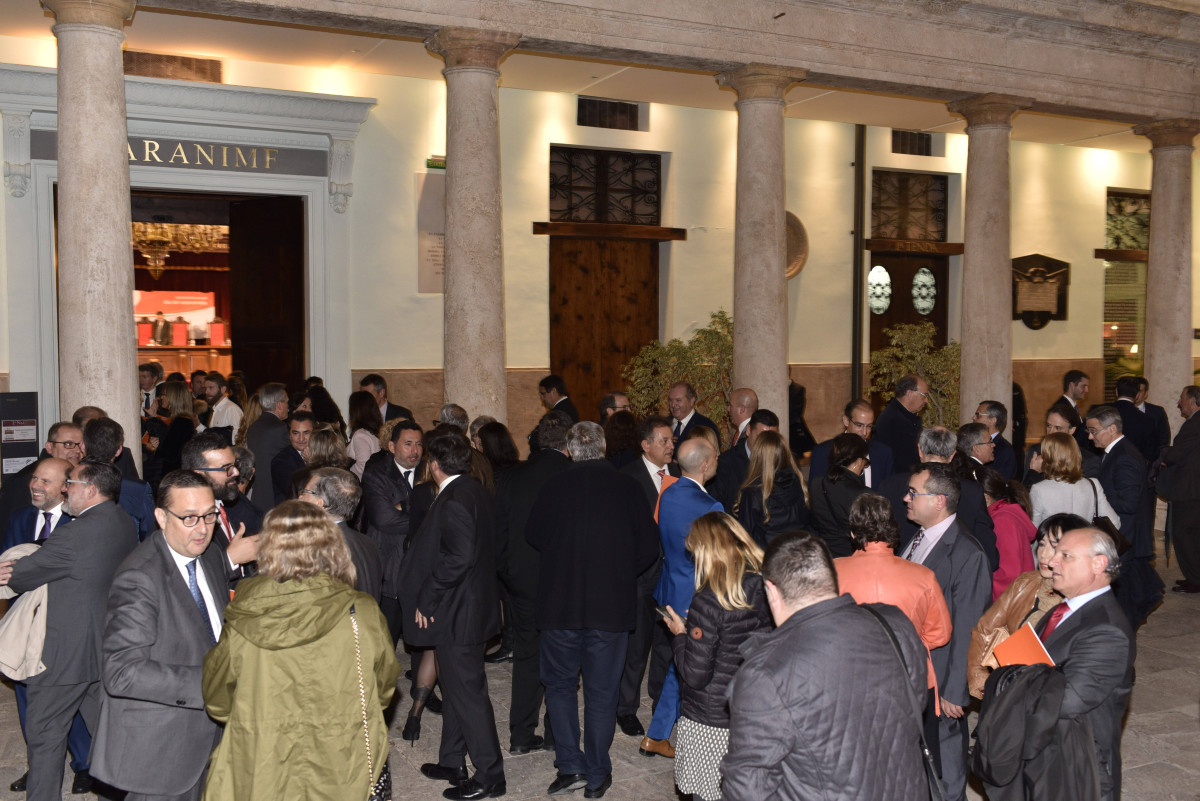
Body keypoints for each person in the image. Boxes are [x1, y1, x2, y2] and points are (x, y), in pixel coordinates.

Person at [201, 501, 399, 800]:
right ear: (333, 548)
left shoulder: (244, 615)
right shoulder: (361, 612)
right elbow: (383, 689)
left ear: (267, 548)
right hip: (342, 761)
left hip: (262, 762)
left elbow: (217, 701)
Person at [721, 532, 930, 801]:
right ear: (831, 578)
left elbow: (746, 789)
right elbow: (914, 706)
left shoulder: (764, 674)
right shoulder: (894, 624)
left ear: (771, 590)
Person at [527, 421, 659, 799]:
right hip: (610, 607)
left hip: (560, 605)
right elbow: (648, 548)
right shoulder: (628, 487)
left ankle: (570, 766)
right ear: (601, 448)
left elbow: (533, 535)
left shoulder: (553, 486)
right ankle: (597, 772)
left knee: (560, 687)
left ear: (570, 450)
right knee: (602, 693)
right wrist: (620, 573)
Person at [90, 470, 232, 801]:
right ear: (161, 517)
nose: (202, 528)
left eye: (209, 515)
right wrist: (214, 683)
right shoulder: (139, 578)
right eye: (189, 518)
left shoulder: (210, 555)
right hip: (161, 751)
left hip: (212, 740)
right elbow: (122, 673)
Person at [0, 460, 137, 801]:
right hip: (100, 648)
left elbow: (22, 576)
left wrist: (17, 565)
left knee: (45, 737)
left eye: (70, 483)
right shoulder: (122, 521)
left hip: (62, 657)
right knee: (106, 735)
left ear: (90, 490)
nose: (65, 489)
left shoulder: (73, 534)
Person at [398, 428, 506, 800]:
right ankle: (452, 761)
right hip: (467, 608)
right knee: (458, 690)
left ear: (434, 464)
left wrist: (427, 599)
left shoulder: (457, 498)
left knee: (468, 694)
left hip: (459, 613)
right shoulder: (474, 489)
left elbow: (458, 558)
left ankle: (491, 775)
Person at [659, 512, 771, 801]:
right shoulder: (764, 586)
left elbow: (695, 675)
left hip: (710, 721)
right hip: (750, 715)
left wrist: (681, 635)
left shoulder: (709, 599)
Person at [1, 457, 93, 795]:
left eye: (45, 481)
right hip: (26, 625)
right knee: (27, 696)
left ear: (65, 487)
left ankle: (84, 764)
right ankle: (37, 763)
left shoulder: (81, 522)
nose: (35, 486)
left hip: (64, 628)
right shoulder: (19, 518)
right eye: (35, 479)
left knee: (73, 699)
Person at [902, 462, 991, 801]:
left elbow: (969, 625)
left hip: (941, 678)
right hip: (917, 669)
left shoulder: (968, 553)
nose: (906, 498)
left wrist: (955, 690)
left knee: (947, 757)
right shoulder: (919, 537)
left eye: (914, 493)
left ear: (939, 501)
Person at [494, 412, 573, 755]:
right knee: (563, 659)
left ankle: (521, 735)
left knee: (527, 657)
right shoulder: (574, 475)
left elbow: (499, 531)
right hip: (563, 583)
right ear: (568, 444)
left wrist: (507, 574)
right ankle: (556, 734)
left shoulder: (513, 475)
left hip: (522, 582)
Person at [1041, 527, 1136, 801]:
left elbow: (1067, 701)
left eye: (1066, 555)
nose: (1052, 562)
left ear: (1098, 564)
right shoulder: (1063, 609)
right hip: (1047, 756)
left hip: (1076, 770)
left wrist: (1010, 681)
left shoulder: (1107, 630)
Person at [642, 437, 722, 759]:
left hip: (669, 590)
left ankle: (656, 735)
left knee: (679, 665)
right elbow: (718, 561)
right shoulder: (710, 507)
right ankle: (662, 735)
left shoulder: (668, 493)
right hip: (695, 597)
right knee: (692, 666)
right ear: (705, 464)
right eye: (715, 457)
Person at [834, 493, 951, 712]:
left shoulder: (831, 572)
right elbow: (940, 634)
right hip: (907, 676)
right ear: (892, 528)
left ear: (852, 533)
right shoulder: (923, 576)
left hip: (850, 677)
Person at [966, 512, 1081, 699]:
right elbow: (984, 630)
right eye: (1041, 544)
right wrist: (982, 680)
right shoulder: (1025, 583)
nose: (1043, 554)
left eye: (1054, 547)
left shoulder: (1084, 599)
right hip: (1010, 689)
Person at [616, 415, 677, 738]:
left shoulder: (678, 474)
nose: (670, 446)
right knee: (636, 648)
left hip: (672, 575)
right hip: (640, 576)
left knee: (666, 645)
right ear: (646, 445)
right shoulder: (627, 478)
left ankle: (660, 704)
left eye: (671, 440)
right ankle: (625, 709)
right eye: (664, 441)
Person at [360, 419, 423, 641]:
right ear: (392, 446)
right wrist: (423, 514)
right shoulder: (376, 475)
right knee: (386, 637)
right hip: (390, 565)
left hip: (422, 568)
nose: (415, 451)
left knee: (422, 638)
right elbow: (384, 519)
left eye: (419, 444)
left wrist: (402, 507)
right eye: (408, 444)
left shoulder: (430, 471)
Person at [298, 467, 384, 601]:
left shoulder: (320, 550)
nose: (300, 497)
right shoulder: (368, 543)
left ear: (319, 503)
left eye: (305, 492)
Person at [83, 416, 156, 541]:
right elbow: (150, 535)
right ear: (118, 450)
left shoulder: (68, 484)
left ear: (83, 446)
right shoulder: (138, 489)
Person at [733, 430, 808, 550]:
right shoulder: (798, 483)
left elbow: (744, 538)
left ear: (757, 457)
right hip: (797, 554)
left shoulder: (752, 492)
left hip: (767, 557)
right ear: (785, 453)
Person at [1029, 432, 1119, 529]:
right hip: (1084, 538)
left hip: (1054, 538)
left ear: (1048, 457)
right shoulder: (1093, 484)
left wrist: (1033, 472)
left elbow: (1032, 530)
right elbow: (1115, 523)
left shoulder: (1039, 489)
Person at [1161, 385, 1200, 593]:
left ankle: (1195, 579)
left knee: (1184, 534)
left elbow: (1178, 453)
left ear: (1193, 401)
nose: (1179, 402)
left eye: (1182, 398)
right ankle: (1194, 577)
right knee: (1191, 535)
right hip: (1192, 489)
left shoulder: (1195, 424)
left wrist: (1163, 455)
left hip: (1189, 490)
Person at [807, 432, 870, 558]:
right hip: (853, 558)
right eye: (865, 461)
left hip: (824, 555)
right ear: (858, 461)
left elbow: (814, 522)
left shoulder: (816, 484)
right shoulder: (865, 495)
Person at [807, 399, 895, 488]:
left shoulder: (883, 453)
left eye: (869, 426)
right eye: (859, 425)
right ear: (846, 420)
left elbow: (889, 490)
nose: (864, 432)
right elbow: (816, 491)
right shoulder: (823, 452)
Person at [978, 467, 1036, 600]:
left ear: (985, 498)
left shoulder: (1002, 521)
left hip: (1007, 603)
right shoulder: (999, 516)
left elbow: (1008, 576)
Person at [710, 409, 779, 512]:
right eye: (760, 438)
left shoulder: (781, 462)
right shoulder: (725, 463)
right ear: (748, 430)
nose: (766, 444)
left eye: (771, 439)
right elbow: (716, 507)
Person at [1022, 403, 1101, 487]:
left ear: (1072, 430)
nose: (1051, 432)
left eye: (1058, 428)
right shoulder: (1037, 450)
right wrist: (1034, 472)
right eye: (1048, 426)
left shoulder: (1088, 460)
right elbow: (1024, 491)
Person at [244, 383, 290, 514]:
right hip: (275, 497)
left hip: (258, 494)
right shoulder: (279, 428)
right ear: (279, 405)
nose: (288, 407)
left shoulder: (253, 427)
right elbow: (289, 462)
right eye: (287, 402)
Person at [873, 373, 930, 473]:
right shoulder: (895, 421)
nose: (926, 400)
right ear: (909, 393)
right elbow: (908, 460)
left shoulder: (902, 414)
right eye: (924, 395)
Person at [147, 381, 197, 478]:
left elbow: (170, 455)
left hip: (173, 476)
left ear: (174, 397)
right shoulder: (183, 420)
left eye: (164, 395)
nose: (161, 397)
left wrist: (154, 448)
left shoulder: (181, 422)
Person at [271, 411, 316, 505]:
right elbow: (300, 493)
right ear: (289, 435)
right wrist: (312, 463)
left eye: (306, 433)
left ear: (314, 433)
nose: (301, 438)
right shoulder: (280, 461)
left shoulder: (321, 453)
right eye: (296, 433)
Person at [529, 375, 579, 450]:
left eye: (543, 393)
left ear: (553, 391)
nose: (542, 398)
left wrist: (532, 437)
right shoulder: (566, 406)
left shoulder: (558, 412)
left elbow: (541, 439)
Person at [667, 381, 721, 448]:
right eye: (671, 400)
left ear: (691, 401)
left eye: (678, 400)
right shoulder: (663, 424)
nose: (673, 405)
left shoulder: (706, 426)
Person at [974, 400, 1018, 480]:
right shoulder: (973, 442)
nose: (974, 418)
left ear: (993, 420)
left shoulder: (1004, 450)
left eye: (978, 415)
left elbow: (1000, 483)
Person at [346, 389, 383, 478]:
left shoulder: (360, 435)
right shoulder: (375, 432)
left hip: (361, 483)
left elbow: (363, 466)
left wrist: (347, 473)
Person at [1059, 369, 1096, 456]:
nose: (1086, 390)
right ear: (1072, 386)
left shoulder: (1071, 406)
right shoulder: (1061, 407)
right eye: (1083, 386)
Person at [1134, 376, 1171, 460]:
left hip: (1151, 460)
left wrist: (1158, 459)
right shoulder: (1121, 411)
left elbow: (1164, 438)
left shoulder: (1157, 412)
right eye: (1134, 390)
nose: (1136, 393)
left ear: (1146, 394)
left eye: (1140, 391)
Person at [202, 372, 243, 440]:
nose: (206, 391)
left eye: (211, 387)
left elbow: (238, 439)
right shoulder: (214, 409)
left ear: (223, 389)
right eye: (205, 388)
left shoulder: (231, 409)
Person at [724, 387, 758, 452]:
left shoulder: (751, 435)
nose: (728, 409)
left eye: (730, 405)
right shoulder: (742, 431)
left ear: (742, 409)